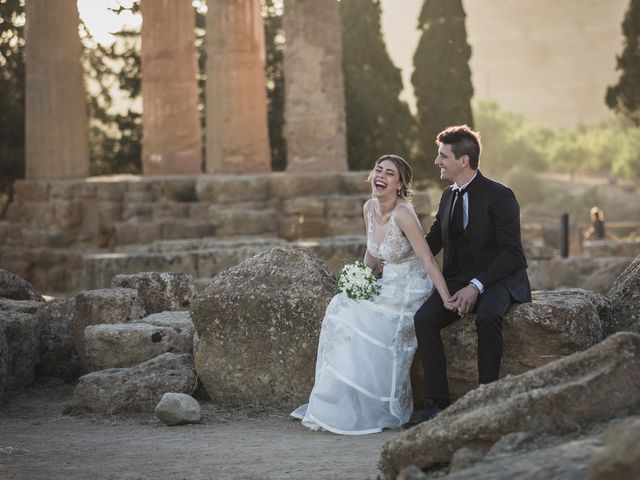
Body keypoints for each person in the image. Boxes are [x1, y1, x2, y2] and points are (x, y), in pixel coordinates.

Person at [290, 154, 454, 435]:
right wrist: (359, 282)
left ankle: (377, 404)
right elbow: (372, 252)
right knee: (341, 304)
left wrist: (447, 298)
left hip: (409, 289)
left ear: (400, 184)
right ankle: (341, 399)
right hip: (387, 282)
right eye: (379, 170)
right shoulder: (369, 207)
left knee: (363, 319)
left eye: (390, 173)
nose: (381, 176)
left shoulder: (404, 214)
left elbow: (427, 260)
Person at [405, 125, 531, 428]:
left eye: (443, 156)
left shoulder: (501, 196)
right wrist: (395, 257)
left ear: (463, 161)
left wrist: (476, 286)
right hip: (458, 278)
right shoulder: (448, 195)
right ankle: (438, 405)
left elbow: (513, 253)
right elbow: (434, 240)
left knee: (488, 318)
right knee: (424, 319)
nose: (437, 161)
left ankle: (486, 399)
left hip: (500, 278)